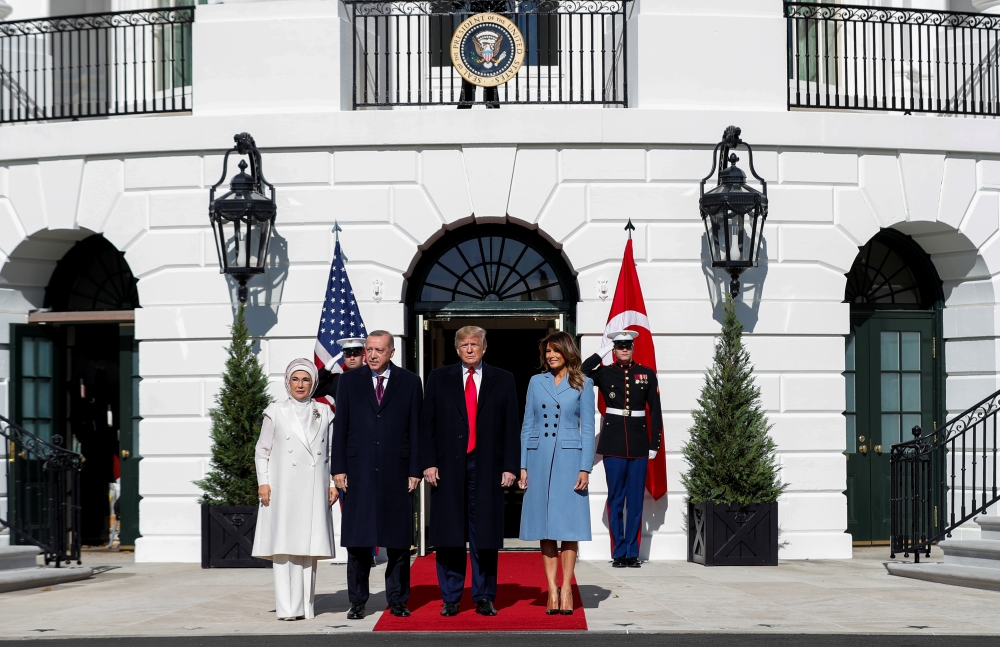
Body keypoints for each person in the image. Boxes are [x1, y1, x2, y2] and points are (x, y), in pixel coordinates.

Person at [419, 326, 519, 617]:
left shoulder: (504, 379)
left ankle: (484, 595)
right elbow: (428, 425)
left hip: (487, 466)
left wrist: (510, 465)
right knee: (450, 532)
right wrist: (428, 462)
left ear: (485, 347)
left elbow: (511, 426)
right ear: (457, 348)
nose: (470, 349)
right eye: (464, 345)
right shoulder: (439, 378)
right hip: (447, 467)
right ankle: (451, 597)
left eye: (475, 344)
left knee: (484, 534)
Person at [331, 331, 422, 620]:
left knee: (396, 541)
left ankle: (397, 599)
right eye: (368, 349)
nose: (371, 355)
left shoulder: (409, 382)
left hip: (397, 472)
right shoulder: (348, 381)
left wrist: (414, 470)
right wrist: (338, 468)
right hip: (358, 473)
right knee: (358, 542)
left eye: (378, 350)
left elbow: (416, 429)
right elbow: (341, 427)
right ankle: (357, 601)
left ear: (391, 353)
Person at [252, 359, 337, 621]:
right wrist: (263, 482)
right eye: (296, 379)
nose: (301, 385)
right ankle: (288, 608)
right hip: (283, 487)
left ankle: (306, 607)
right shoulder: (275, 411)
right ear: (288, 382)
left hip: (313, 487)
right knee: (284, 547)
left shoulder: (324, 412)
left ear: (313, 383)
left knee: (307, 548)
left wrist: (333, 483)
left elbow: (333, 452)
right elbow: (262, 451)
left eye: (306, 379)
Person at [519, 331, 595, 615]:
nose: (550, 356)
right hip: (538, 459)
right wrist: (523, 464)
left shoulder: (583, 383)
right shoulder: (535, 382)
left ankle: (566, 589)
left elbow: (587, 429)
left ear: (567, 352)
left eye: (555, 351)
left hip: (569, 459)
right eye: (547, 351)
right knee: (546, 527)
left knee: (568, 527)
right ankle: (551, 589)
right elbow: (527, 424)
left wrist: (585, 467)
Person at [582, 330, 663, 568]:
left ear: (633, 348)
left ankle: (632, 553)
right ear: (615, 350)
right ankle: (618, 552)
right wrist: (602, 351)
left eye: (627, 346)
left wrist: (654, 442)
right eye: (619, 346)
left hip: (639, 443)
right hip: (614, 442)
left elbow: (655, 410)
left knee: (635, 500)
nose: (624, 350)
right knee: (616, 498)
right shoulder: (605, 372)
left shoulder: (646, 374)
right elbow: (582, 372)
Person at [314, 337, 367, 405]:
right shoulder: (336, 380)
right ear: (344, 358)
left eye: (356, 355)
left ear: (363, 357)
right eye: (348, 355)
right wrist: (325, 370)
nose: (352, 358)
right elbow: (312, 391)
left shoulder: (372, 377)